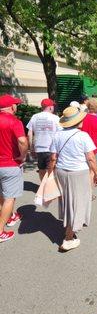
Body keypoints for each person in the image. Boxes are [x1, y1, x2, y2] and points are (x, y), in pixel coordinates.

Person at [49, 106, 97, 252]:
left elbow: (53, 158)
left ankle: (69, 227)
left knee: (67, 201)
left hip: (61, 172)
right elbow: (91, 158)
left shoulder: (57, 135)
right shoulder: (83, 136)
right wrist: (96, 173)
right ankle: (68, 237)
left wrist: (50, 174)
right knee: (77, 203)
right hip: (78, 173)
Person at [0, 94, 28, 242]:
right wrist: (22, 156)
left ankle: (11, 216)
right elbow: (23, 141)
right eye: (15, 104)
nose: (16, 106)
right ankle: (0, 230)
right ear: (11, 106)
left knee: (2, 193)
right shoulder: (14, 121)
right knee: (9, 197)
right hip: (10, 164)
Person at [27, 98, 60, 180]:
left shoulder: (35, 117)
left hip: (39, 148)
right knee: (52, 169)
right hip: (52, 148)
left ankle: (43, 186)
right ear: (50, 107)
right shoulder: (55, 118)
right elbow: (60, 134)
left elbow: (29, 133)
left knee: (41, 169)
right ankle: (50, 189)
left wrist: (31, 148)